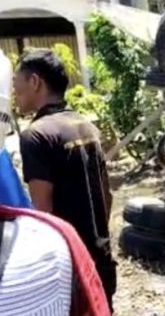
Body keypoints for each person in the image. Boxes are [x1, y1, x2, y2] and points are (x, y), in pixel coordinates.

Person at [13, 49, 117, 311]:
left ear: (35, 82)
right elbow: (107, 196)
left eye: (17, 86)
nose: (15, 94)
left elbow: (43, 213)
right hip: (101, 257)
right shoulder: (85, 125)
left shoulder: (35, 135)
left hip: (70, 263)